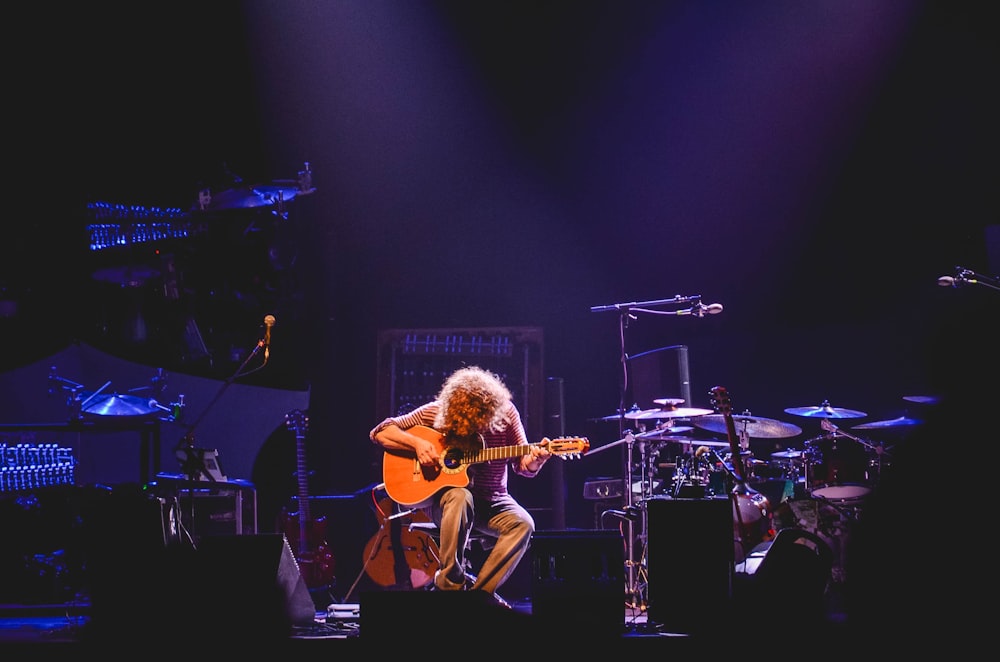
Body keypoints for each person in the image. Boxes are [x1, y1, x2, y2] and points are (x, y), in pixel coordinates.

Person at [369, 365, 552, 608]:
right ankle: (450, 586)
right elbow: (381, 432)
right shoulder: (437, 413)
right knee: (460, 495)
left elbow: (522, 464)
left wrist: (536, 460)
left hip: (494, 500)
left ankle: (477, 597)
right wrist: (417, 445)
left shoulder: (506, 415)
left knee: (524, 524)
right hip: (449, 505)